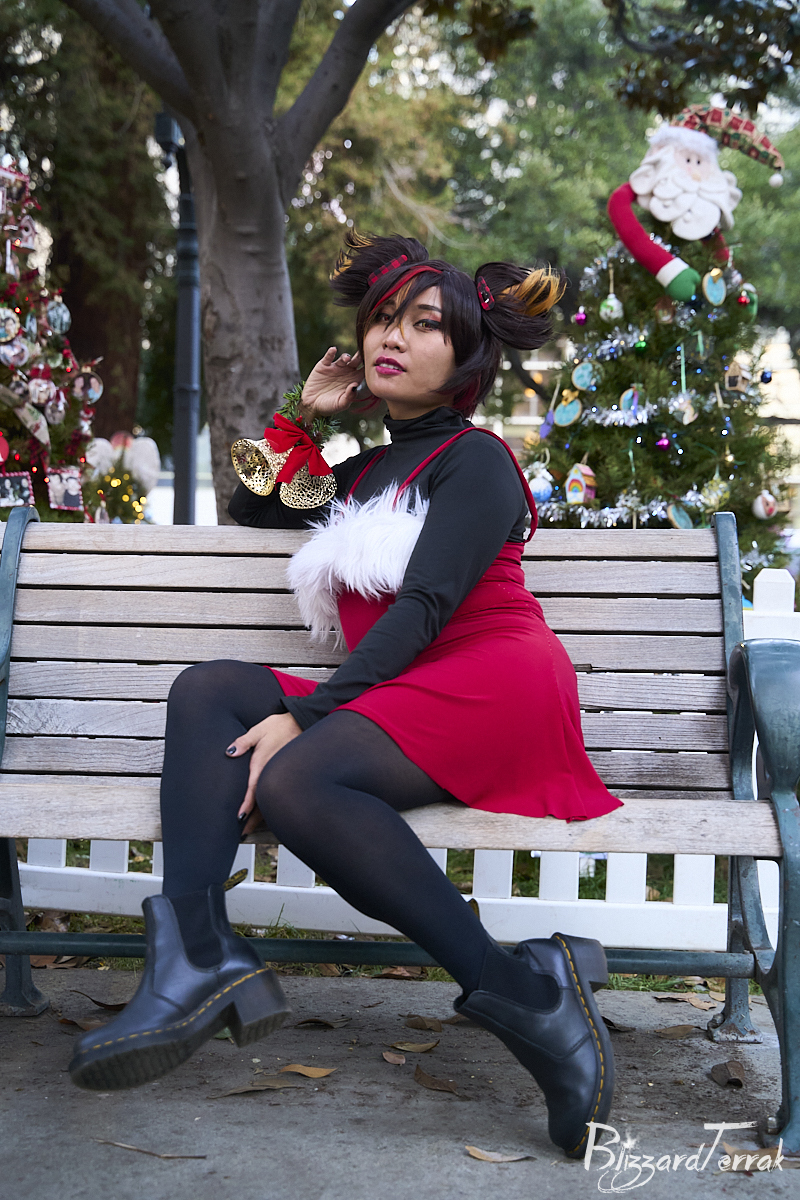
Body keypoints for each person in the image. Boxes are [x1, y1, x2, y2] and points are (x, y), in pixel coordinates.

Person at [68, 233, 622, 1159]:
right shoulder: (364, 473)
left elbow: (427, 609)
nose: (390, 337)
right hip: (406, 684)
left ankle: (528, 997)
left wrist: (307, 717)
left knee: (297, 781)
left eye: (424, 324)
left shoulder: (477, 460)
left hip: (494, 678)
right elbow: (253, 506)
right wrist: (304, 412)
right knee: (208, 689)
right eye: (382, 320)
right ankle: (197, 953)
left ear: (468, 354)